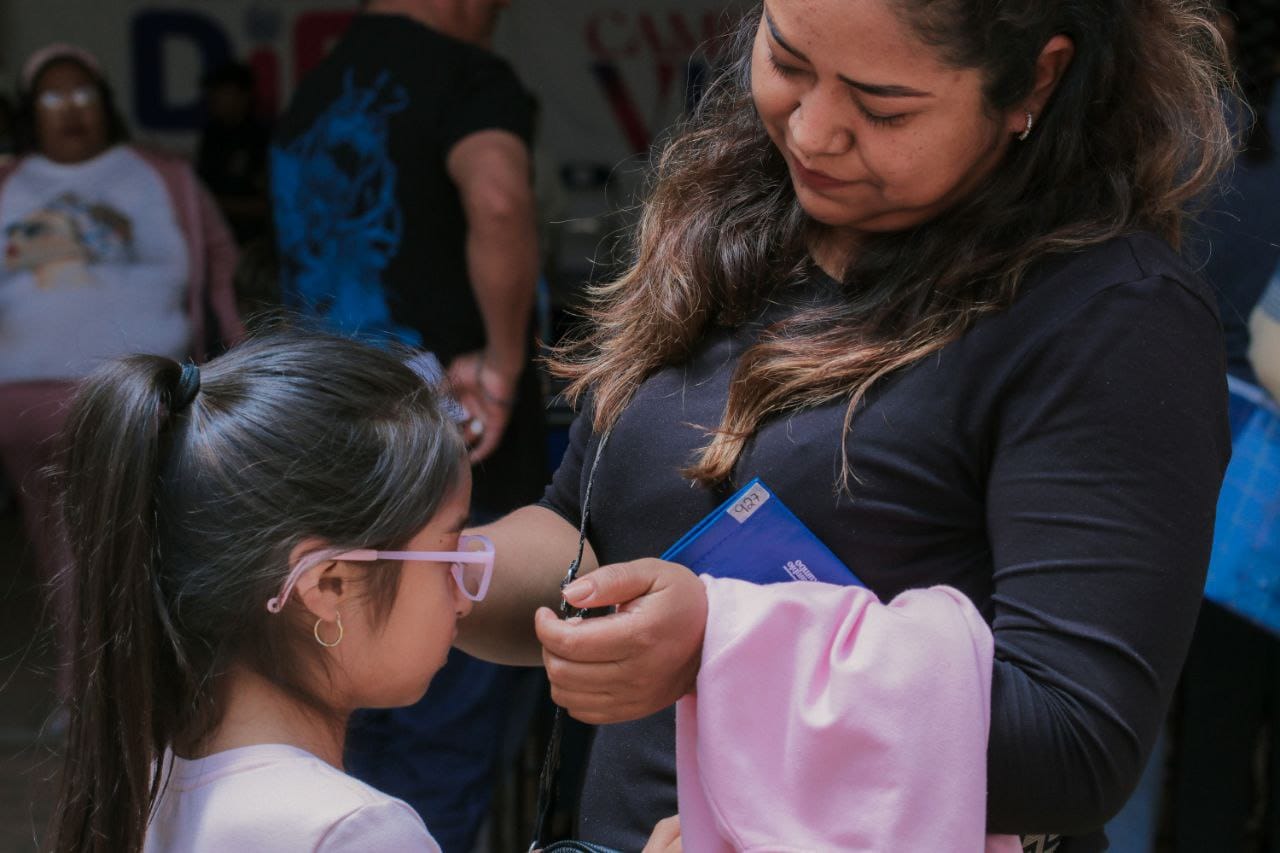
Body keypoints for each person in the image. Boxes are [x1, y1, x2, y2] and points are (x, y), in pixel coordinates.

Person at [454, 0, 1235, 850]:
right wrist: (426, 570)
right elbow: (585, 530)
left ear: (1035, 81)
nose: (815, 132)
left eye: (882, 106)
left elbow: (1076, 746)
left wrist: (722, 647)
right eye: (787, 63)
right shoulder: (737, 218)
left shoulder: (1110, 318)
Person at [270, 2, 545, 848]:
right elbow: (498, 198)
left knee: (341, 704)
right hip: (446, 448)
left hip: (327, 438)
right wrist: (503, 361)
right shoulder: (466, 76)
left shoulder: (314, 91)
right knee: (447, 721)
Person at [48, 331, 481, 853]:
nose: (467, 594)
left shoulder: (147, 787)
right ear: (328, 584)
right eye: (451, 552)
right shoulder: (353, 832)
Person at [0, 43, 243, 689]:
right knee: (68, 552)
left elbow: (220, 270)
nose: (71, 111)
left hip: (147, 396)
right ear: (31, 113)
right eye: (53, 99)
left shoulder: (161, 176)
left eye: (83, 95)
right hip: (31, 402)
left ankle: (138, 691)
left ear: (106, 104)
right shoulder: (6, 181)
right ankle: (97, 694)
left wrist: (234, 361)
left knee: (150, 544)